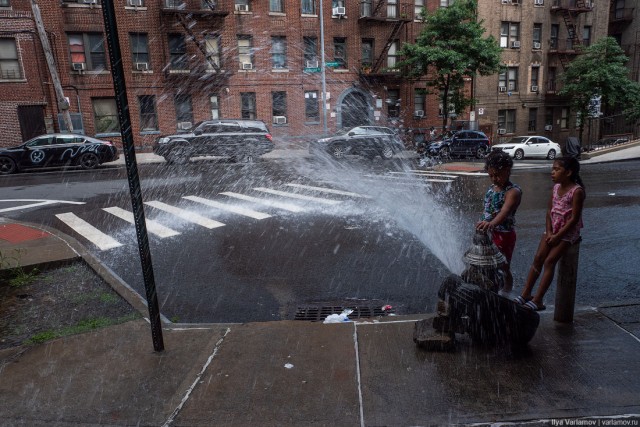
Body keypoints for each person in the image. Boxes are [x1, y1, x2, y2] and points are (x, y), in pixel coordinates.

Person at [514, 156, 585, 311]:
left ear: (568, 172)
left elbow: (574, 219)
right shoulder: (555, 188)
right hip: (552, 229)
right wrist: (549, 232)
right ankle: (526, 293)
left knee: (549, 261)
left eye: (556, 169)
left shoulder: (576, 191)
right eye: (552, 168)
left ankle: (538, 299)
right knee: (538, 258)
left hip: (567, 233)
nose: (552, 172)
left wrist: (558, 236)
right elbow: (549, 211)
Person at [476, 151, 522, 294]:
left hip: (504, 235)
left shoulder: (513, 192)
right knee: (485, 264)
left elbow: (504, 212)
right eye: (491, 175)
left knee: (503, 266)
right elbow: (488, 210)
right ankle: (489, 290)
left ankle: (506, 293)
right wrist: (482, 222)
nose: (494, 179)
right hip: (488, 234)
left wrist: (491, 224)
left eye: (497, 175)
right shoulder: (492, 189)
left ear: (507, 171)